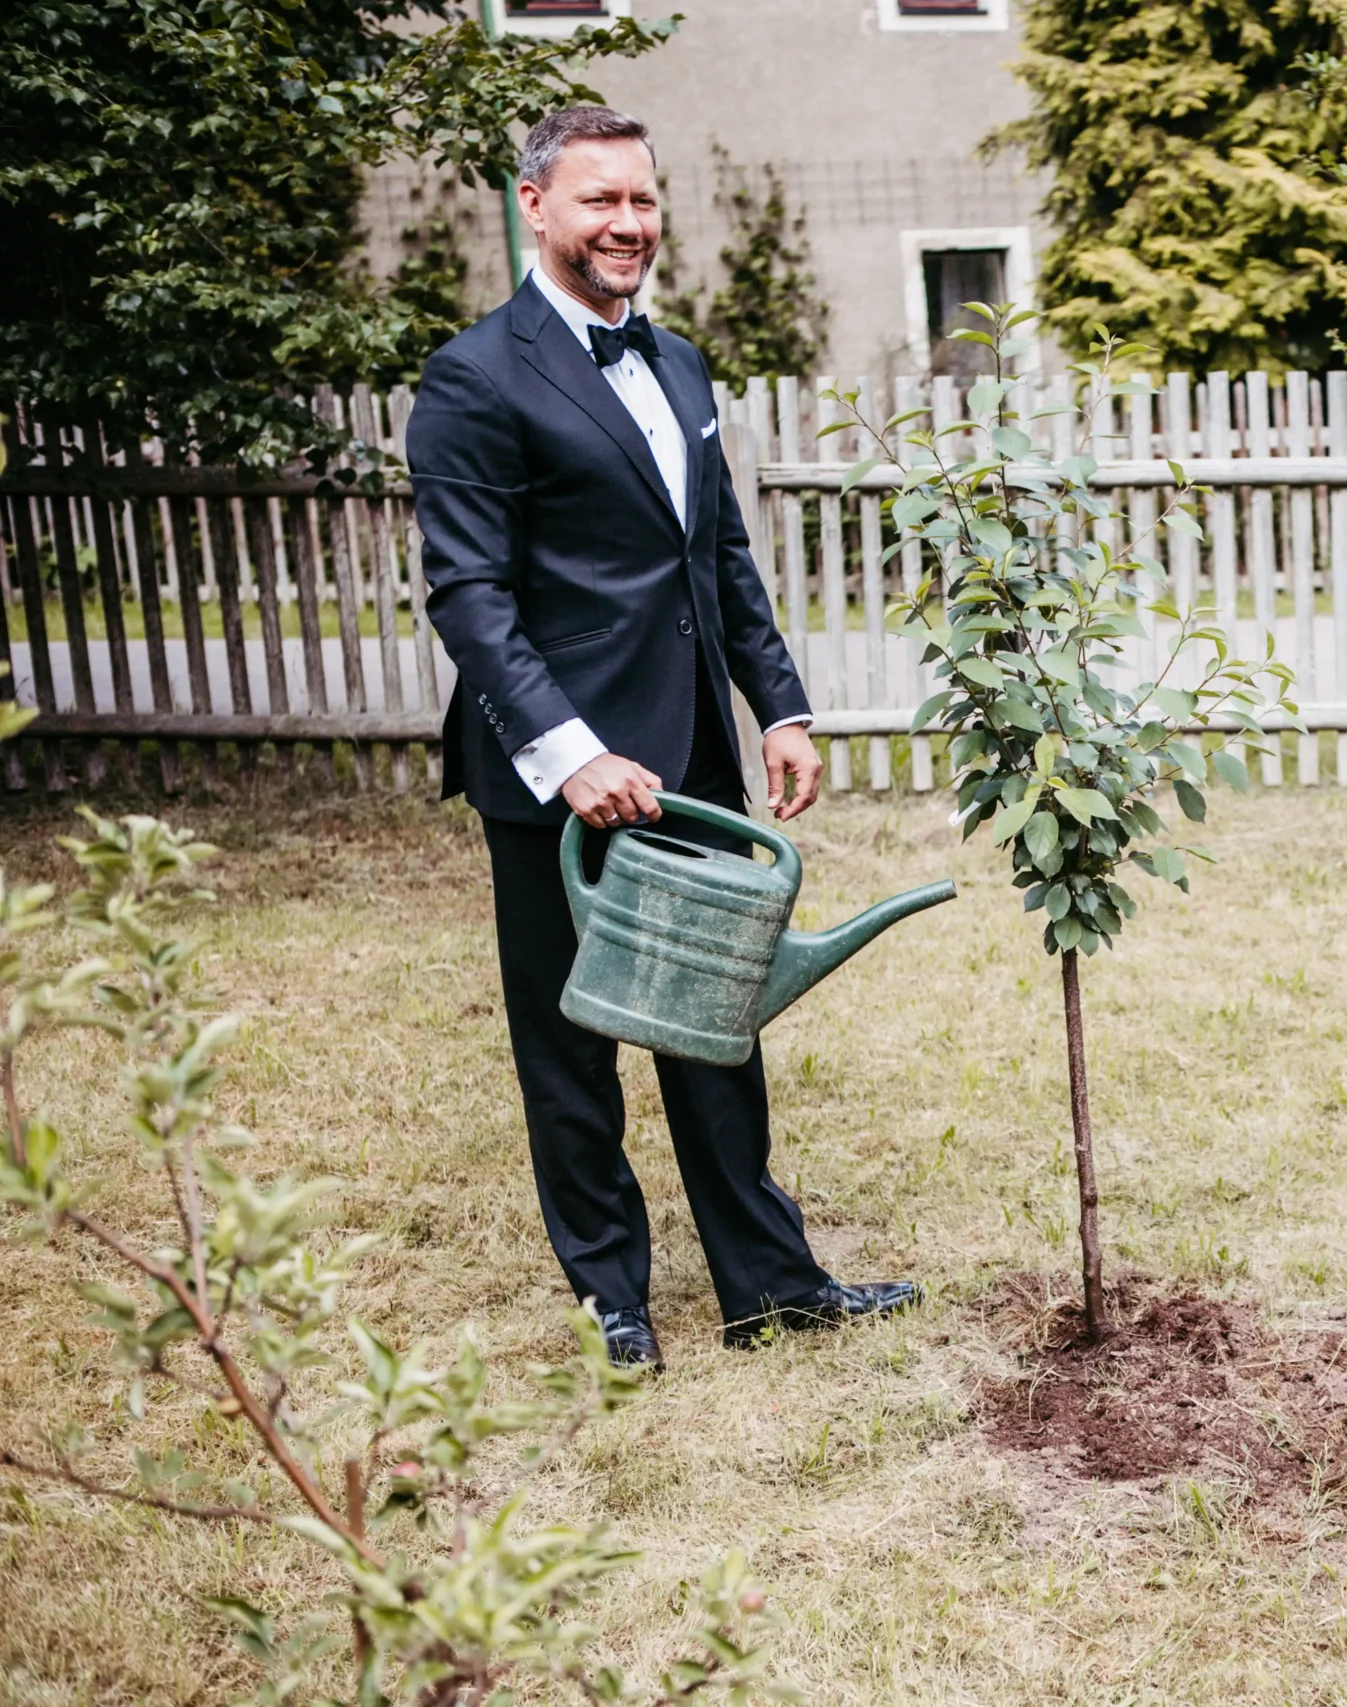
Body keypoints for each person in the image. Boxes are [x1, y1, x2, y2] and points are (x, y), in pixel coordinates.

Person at [409, 107, 919, 1370]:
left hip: (691, 758)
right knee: (571, 1045)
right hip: (557, 776)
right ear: (534, 205)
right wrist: (568, 752)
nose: (627, 225)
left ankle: (771, 1285)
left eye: (641, 200)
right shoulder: (472, 375)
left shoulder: (679, 364)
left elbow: (719, 556)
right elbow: (470, 594)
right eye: (598, 202)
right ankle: (613, 1301)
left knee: (715, 1023)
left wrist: (779, 705)